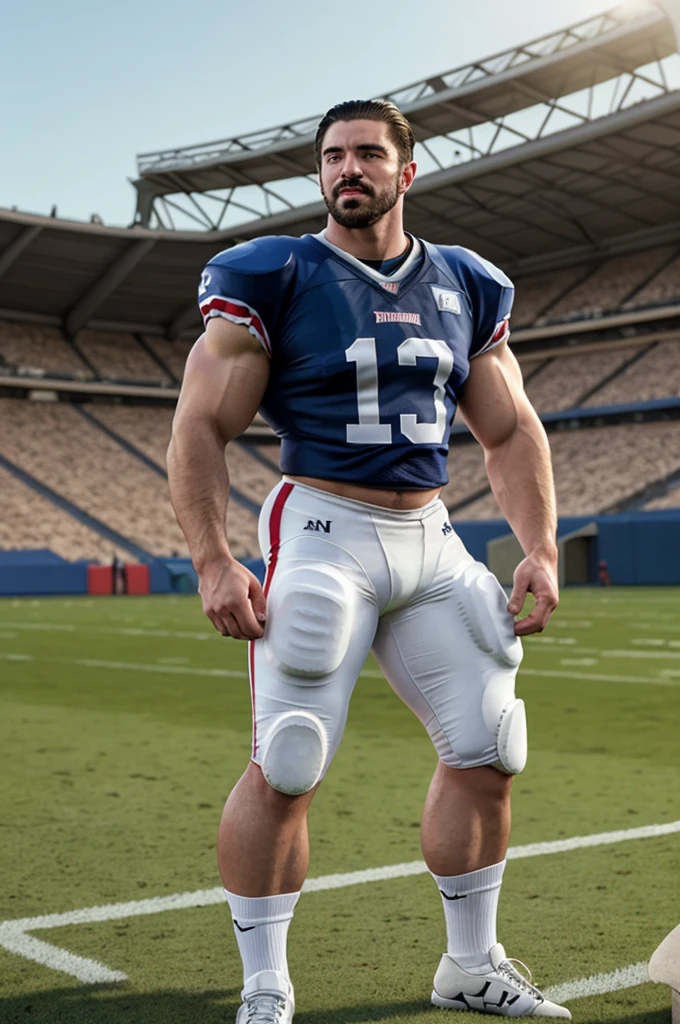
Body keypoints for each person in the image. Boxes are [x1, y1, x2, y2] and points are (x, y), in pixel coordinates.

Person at [167, 99, 568, 1021]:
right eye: (335, 156)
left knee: (489, 741)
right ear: (320, 174)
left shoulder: (465, 283)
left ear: (405, 172)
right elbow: (200, 423)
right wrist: (213, 560)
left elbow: (509, 433)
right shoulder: (273, 272)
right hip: (323, 528)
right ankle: (265, 981)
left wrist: (541, 547)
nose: (350, 168)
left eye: (369, 154)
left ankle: (469, 965)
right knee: (291, 757)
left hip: (429, 533)